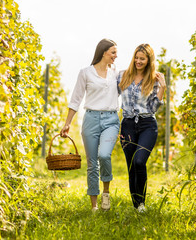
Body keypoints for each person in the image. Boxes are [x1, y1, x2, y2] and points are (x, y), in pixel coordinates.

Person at [60, 39, 119, 211]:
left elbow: (135, 77)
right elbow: (76, 99)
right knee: (92, 163)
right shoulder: (85, 73)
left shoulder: (116, 73)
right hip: (91, 119)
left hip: (111, 120)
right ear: (103, 53)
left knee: (104, 155)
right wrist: (67, 123)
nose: (116, 56)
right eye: (113, 52)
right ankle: (94, 206)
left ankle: (106, 194)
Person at [117, 44, 166, 212]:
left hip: (147, 125)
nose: (138, 61)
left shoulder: (153, 79)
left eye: (142, 59)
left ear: (148, 61)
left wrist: (163, 88)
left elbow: (153, 108)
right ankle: (136, 204)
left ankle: (142, 203)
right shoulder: (122, 76)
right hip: (128, 125)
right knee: (131, 165)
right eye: (136, 57)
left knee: (139, 161)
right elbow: (110, 95)